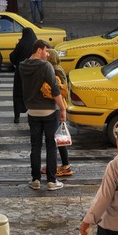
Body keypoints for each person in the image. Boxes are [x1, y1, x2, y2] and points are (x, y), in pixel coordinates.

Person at [19, 40, 66, 192]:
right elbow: (55, 89)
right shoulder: (46, 66)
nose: (47, 54)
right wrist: (63, 108)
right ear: (39, 50)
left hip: (32, 111)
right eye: (46, 51)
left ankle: (35, 180)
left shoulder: (22, 66)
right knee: (51, 146)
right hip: (49, 111)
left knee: (35, 146)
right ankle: (51, 181)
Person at [48, 48, 73, 177]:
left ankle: (65, 165)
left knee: (59, 138)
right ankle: (61, 164)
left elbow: (60, 89)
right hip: (60, 105)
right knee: (58, 137)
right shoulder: (57, 68)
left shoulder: (55, 70)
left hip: (58, 106)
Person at [9, 27, 37, 124]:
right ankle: (32, 115)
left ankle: (17, 117)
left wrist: (16, 62)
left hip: (20, 72)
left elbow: (13, 56)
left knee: (18, 94)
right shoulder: (36, 44)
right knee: (32, 94)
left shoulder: (21, 44)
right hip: (33, 72)